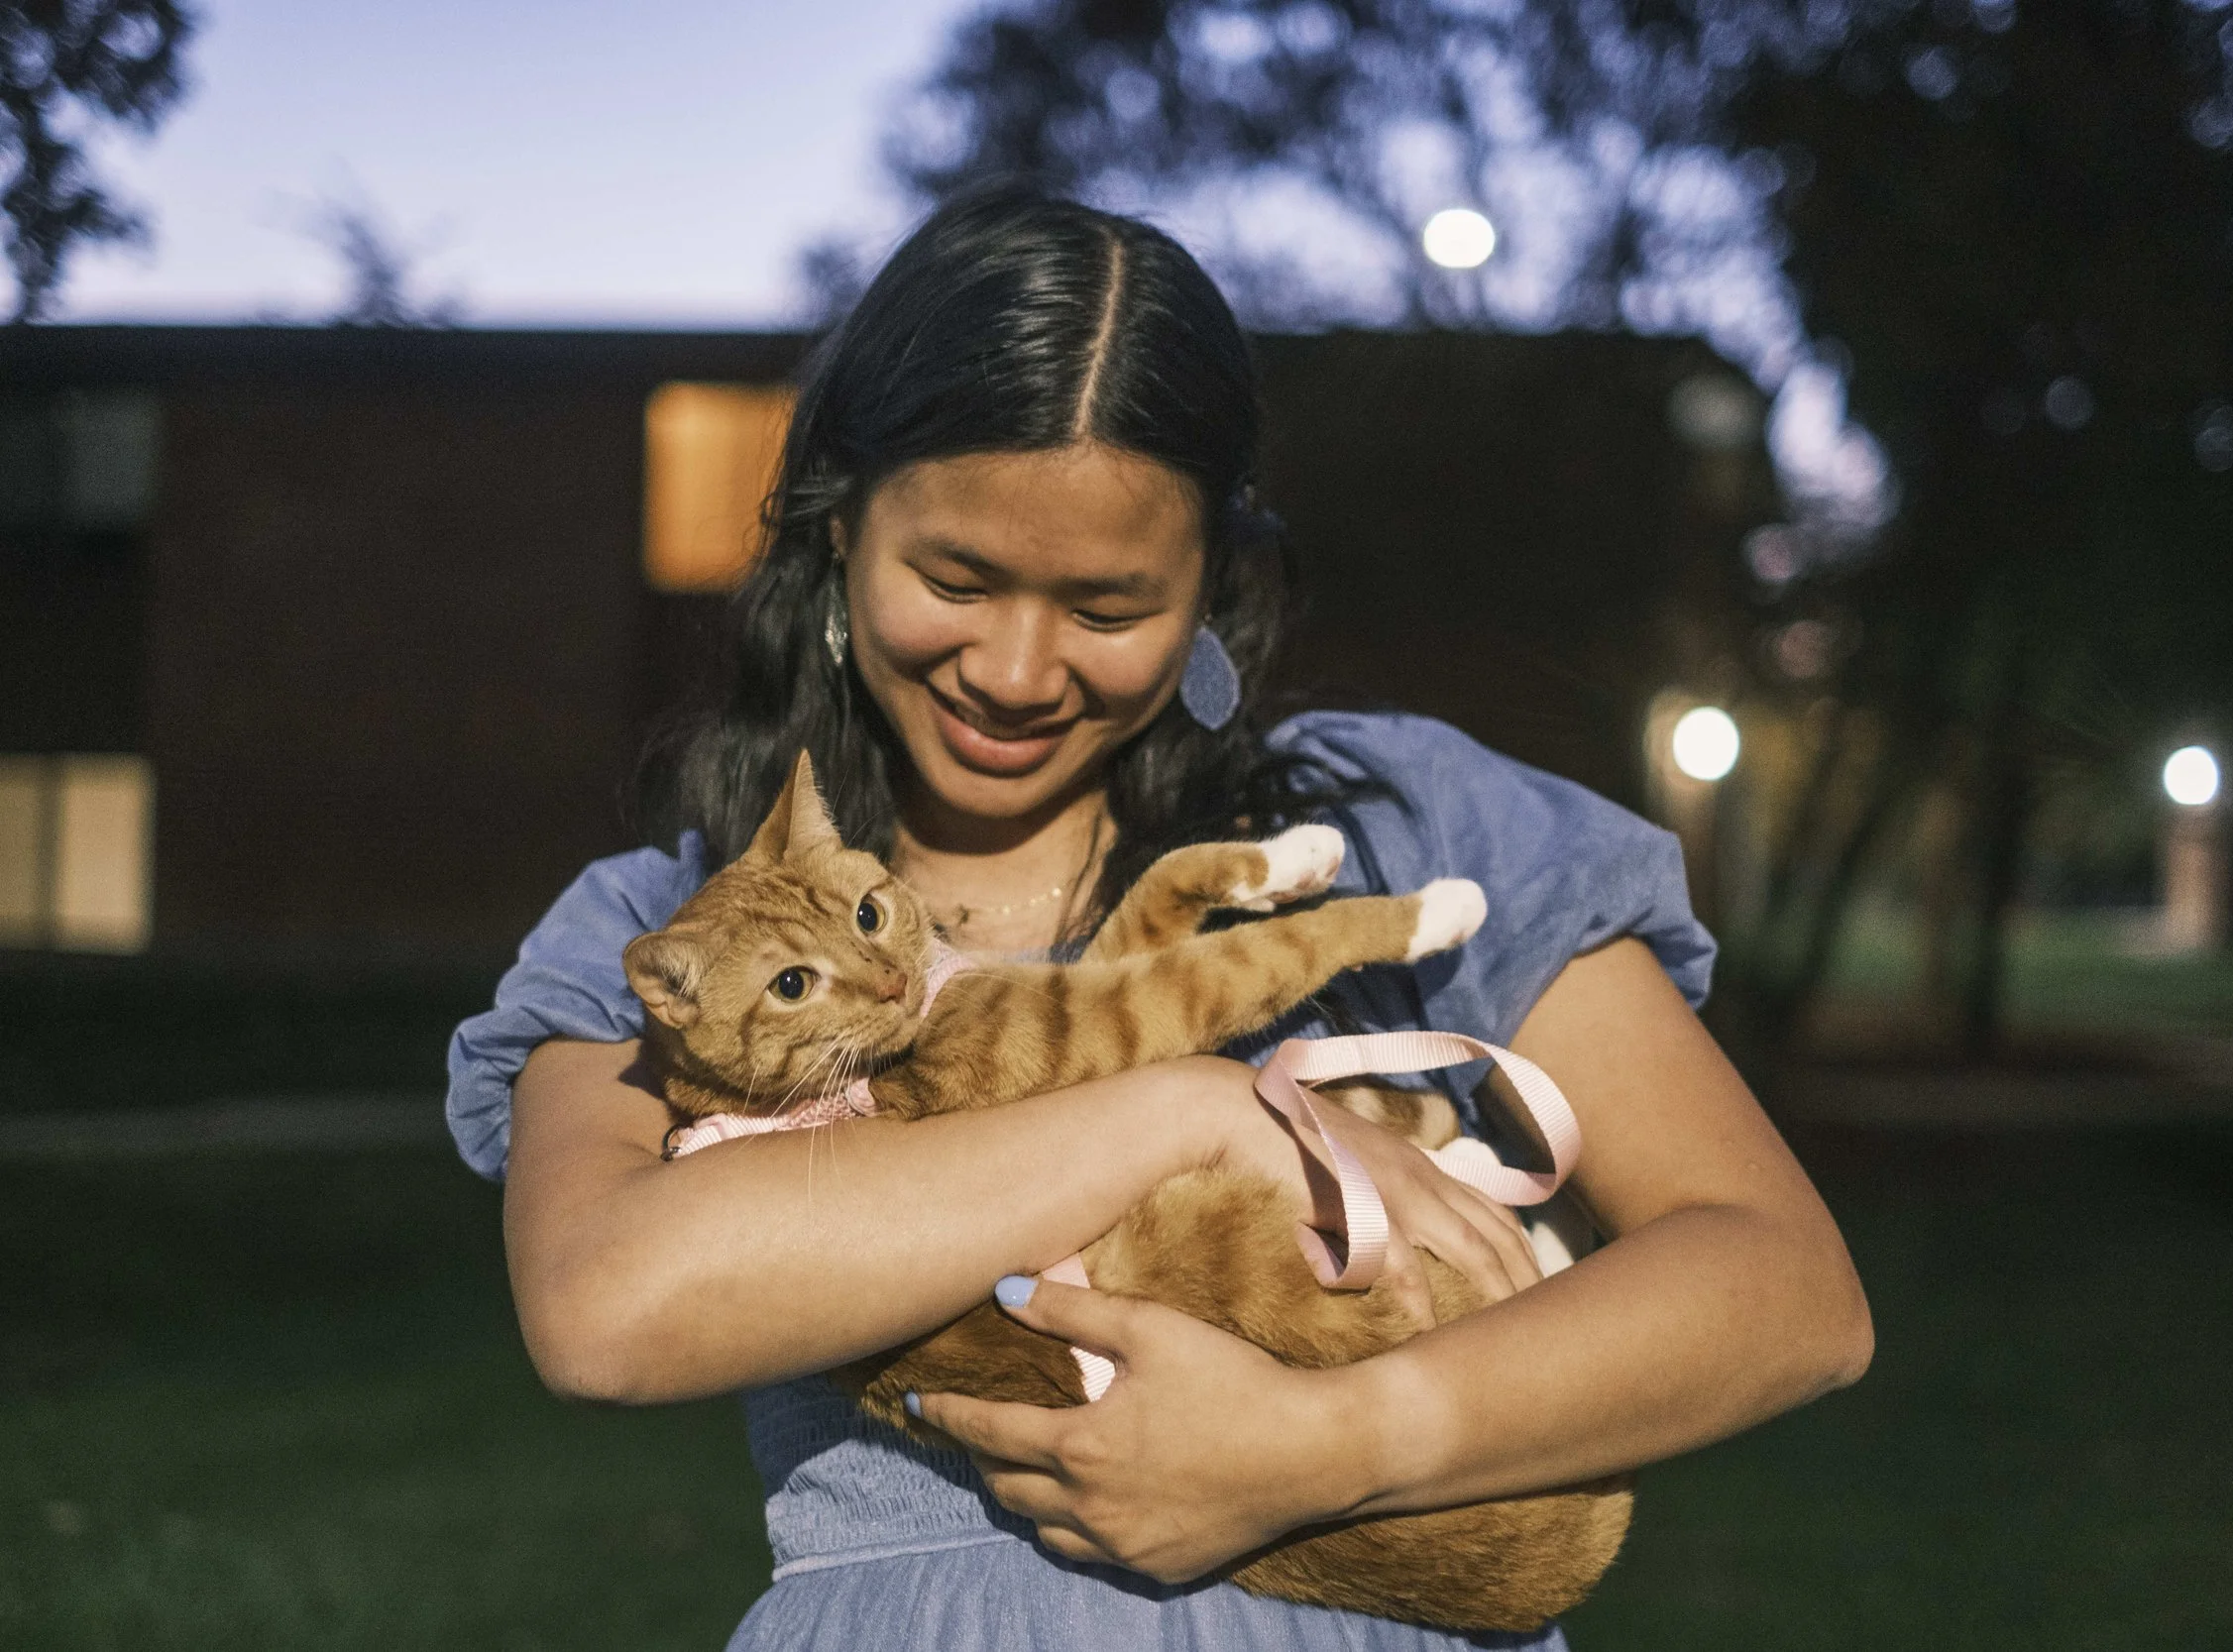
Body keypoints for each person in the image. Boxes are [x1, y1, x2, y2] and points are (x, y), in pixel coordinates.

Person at [446, 189, 1871, 1651]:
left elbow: (1785, 1287)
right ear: (836, 537)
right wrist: (1187, 1113)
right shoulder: (676, 933)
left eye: (1108, 604)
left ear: (1209, 588)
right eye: (956, 577)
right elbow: (606, 1306)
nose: (1013, 667)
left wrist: (1338, 1441)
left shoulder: (1407, 826)